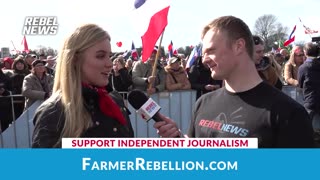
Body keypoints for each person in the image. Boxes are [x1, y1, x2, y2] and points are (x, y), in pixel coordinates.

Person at [153, 16, 314, 148]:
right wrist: (178, 139)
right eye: (203, 53)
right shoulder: (203, 103)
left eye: (211, 51)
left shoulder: (289, 113)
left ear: (239, 46)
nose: (204, 60)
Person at [32, 24, 134, 148]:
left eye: (110, 56)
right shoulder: (53, 112)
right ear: (75, 60)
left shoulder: (115, 101)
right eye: (100, 56)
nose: (109, 64)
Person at [298, 42, 320, 138]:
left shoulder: (303, 67)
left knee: (305, 128)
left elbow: (300, 83)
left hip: (310, 100)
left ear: (305, 52)